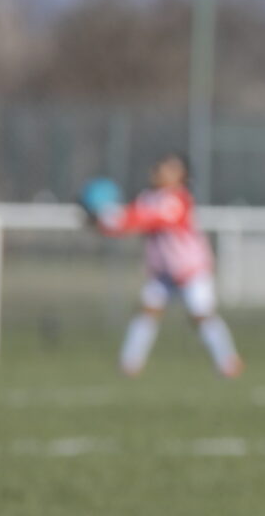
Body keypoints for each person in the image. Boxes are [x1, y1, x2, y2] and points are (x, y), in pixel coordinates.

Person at [100, 153, 240, 379]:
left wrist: (111, 217)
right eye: (160, 166)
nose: (160, 171)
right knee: (146, 312)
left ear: (182, 176)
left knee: (201, 316)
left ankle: (228, 361)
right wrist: (102, 221)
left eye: (169, 168)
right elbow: (129, 220)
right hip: (163, 272)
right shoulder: (147, 197)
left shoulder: (178, 199)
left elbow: (146, 219)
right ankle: (129, 363)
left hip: (190, 270)